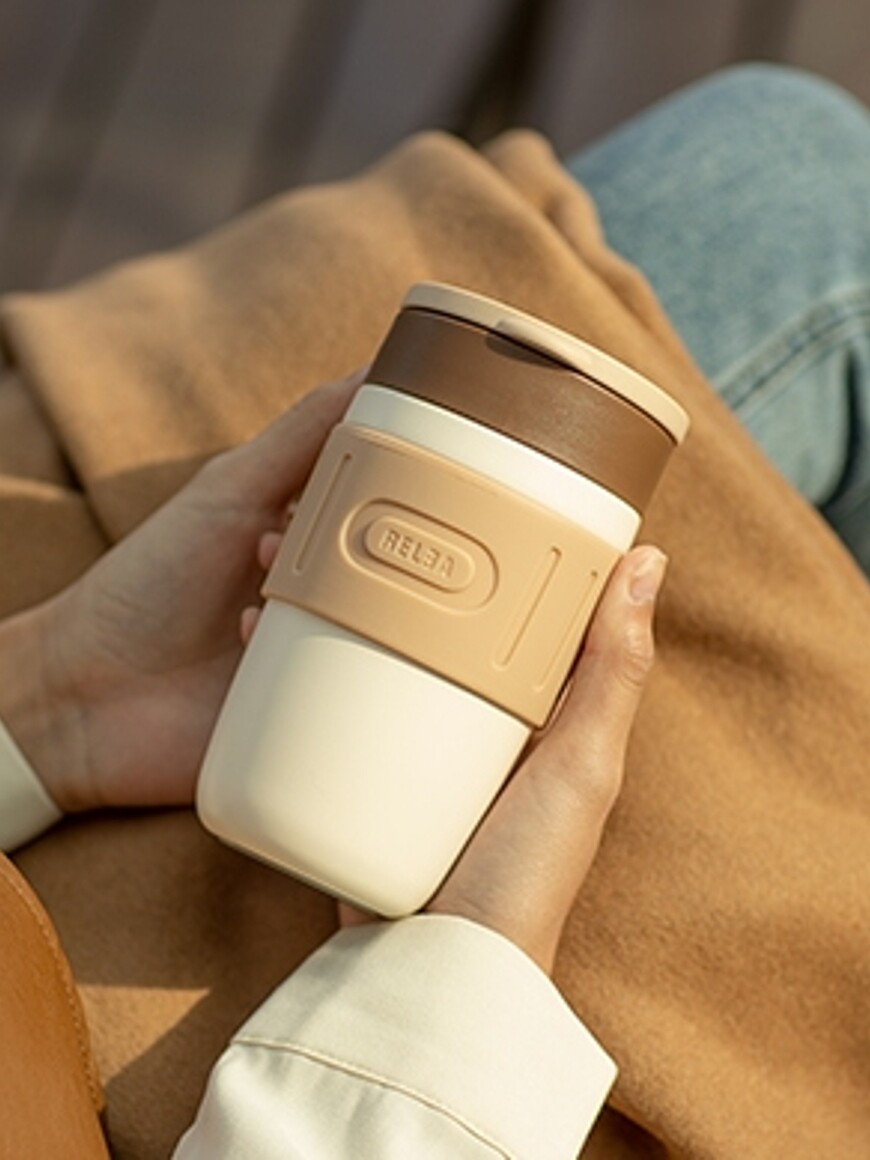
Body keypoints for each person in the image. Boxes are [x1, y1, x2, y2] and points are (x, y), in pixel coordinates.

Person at [2, 64, 870, 1157]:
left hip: (63, 733)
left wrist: (48, 697)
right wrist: (456, 973)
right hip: (273, 1064)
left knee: (785, 170)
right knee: (800, 184)